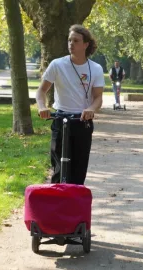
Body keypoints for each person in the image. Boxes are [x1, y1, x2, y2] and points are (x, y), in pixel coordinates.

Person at [36, 24, 104, 185]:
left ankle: (74, 207)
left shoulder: (95, 68)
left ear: (85, 44)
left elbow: (98, 98)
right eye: (69, 40)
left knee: (78, 172)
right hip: (60, 119)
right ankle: (56, 205)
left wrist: (91, 109)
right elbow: (41, 92)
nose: (71, 44)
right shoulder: (57, 65)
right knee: (59, 169)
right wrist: (42, 107)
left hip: (82, 121)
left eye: (75, 40)